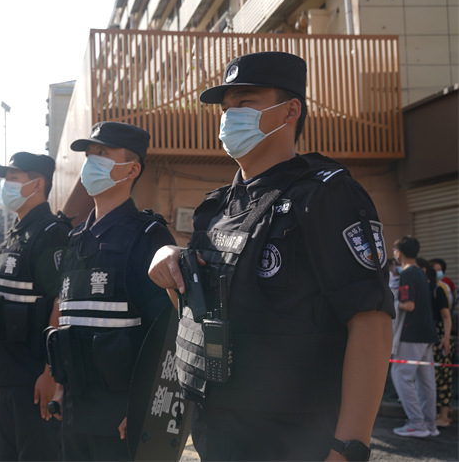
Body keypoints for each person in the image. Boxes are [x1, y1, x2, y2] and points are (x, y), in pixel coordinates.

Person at [148, 51, 394, 461]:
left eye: (245, 103)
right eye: (226, 109)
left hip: (294, 439)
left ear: (290, 111)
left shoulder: (326, 196)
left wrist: (349, 447)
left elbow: (371, 322)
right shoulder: (217, 208)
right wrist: (171, 257)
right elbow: (201, 311)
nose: (230, 117)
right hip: (218, 432)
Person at [46, 122, 177, 460]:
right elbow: (69, 322)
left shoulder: (147, 236)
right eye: (89, 154)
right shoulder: (76, 238)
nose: (91, 162)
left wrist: (145, 406)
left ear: (132, 169)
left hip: (120, 416)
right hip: (74, 409)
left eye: (102, 153)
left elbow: (165, 331)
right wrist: (59, 386)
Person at [0, 152, 71, 461]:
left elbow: (61, 303)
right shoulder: (13, 235)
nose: (7, 186)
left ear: (37, 184)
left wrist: (51, 372)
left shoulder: (52, 233)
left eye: (14, 179)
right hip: (4, 373)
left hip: (33, 377)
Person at [390, 240, 439, 438]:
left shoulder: (408, 273)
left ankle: (417, 423)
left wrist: (394, 302)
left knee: (400, 375)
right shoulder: (420, 272)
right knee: (426, 381)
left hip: (411, 333)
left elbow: (408, 305)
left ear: (399, 253)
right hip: (427, 333)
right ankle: (430, 424)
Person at [419, 259, 454, 428]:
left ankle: (444, 415)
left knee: (443, 377)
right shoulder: (422, 289)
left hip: (439, 337)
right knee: (427, 379)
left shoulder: (439, 289)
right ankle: (429, 415)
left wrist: (446, 338)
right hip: (425, 336)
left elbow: (446, 316)